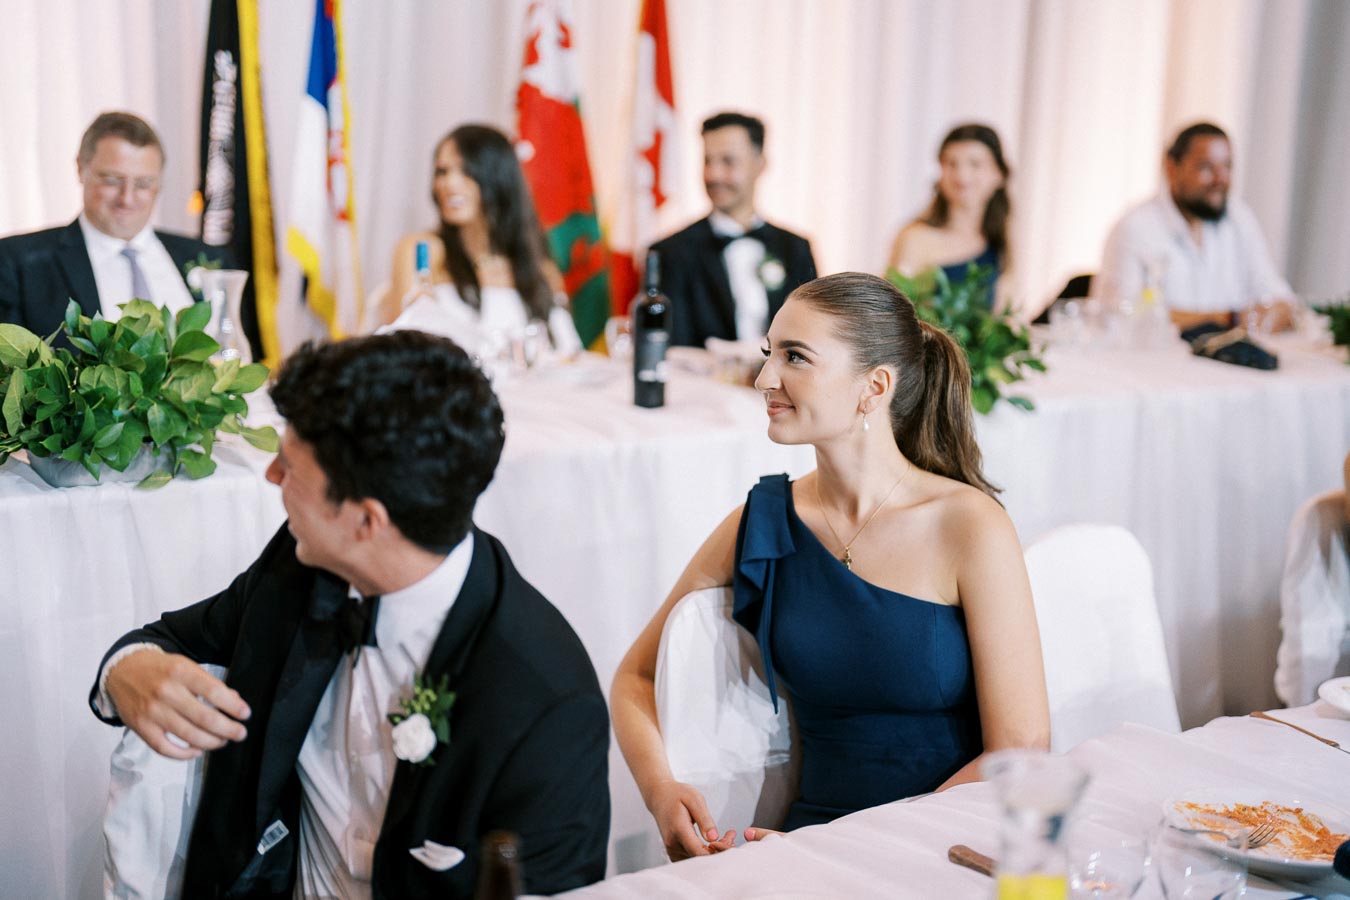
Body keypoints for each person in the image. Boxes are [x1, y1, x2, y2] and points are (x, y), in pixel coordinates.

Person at [89, 332, 609, 898]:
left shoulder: (548, 706)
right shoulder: (298, 568)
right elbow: (165, 641)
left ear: (366, 522)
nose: (270, 477)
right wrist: (126, 673)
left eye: (289, 468)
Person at [612, 272, 1050, 861]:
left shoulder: (969, 525)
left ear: (874, 386)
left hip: (944, 848)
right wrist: (661, 792)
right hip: (803, 847)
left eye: (795, 357)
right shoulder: (764, 520)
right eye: (770, 354)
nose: (765, 378)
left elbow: (1020, 750)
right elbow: (634, 678)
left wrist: (861, 847)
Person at [0, 111, 228, 338]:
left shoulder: (210, 257)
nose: (127, 198)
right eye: (111, 180)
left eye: (143, 183)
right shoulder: (18, 263)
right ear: (81, 169)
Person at [377, 124, 580, 354]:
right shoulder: (423, 251)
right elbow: (403, 348)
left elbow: (568, 353)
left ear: (499, 178)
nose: (449, 184)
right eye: (442, 172)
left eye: (467, 171)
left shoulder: (538, 266)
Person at [1094, 121, 1295, 332]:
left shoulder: (1239, 219)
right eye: (1206, 167)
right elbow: (1121, 316)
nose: (1220, 179)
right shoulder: (1135, 228)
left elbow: (1282, 299)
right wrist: (1228, 319)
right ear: (1171, 167)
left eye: (1227, 166)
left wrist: (1272, 312)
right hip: (1155, 362)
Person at [650, 111, 816, 348]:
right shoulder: (670, 252)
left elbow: (813, 338)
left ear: (760, 164)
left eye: (728, 161)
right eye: (708, 161)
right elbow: (672, 348)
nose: (713, 174)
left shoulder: (796, 248)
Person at [886, 123, 1012, 311]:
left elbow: (1002, 314)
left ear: (999, 174)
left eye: (975, 164)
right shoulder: (915, 238)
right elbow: (891, 315)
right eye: (951, 164)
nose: (962, 175)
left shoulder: (1000, 241)